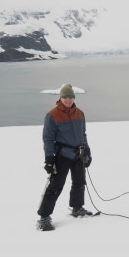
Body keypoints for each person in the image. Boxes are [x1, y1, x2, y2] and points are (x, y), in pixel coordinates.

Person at [36, 84, 93, 231]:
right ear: (60, 98)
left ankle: (77, 208)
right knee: (55, 186)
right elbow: (48, 139)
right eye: (65, 97)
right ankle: (44, 218)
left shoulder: (80, 113)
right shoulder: (52, 115)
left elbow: (83, 134)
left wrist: (87, 151)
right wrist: (49, 159)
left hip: (78, 154)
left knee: (80, 182)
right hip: (62, 155)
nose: (68, 99)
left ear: (74, 97)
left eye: (71, 96)